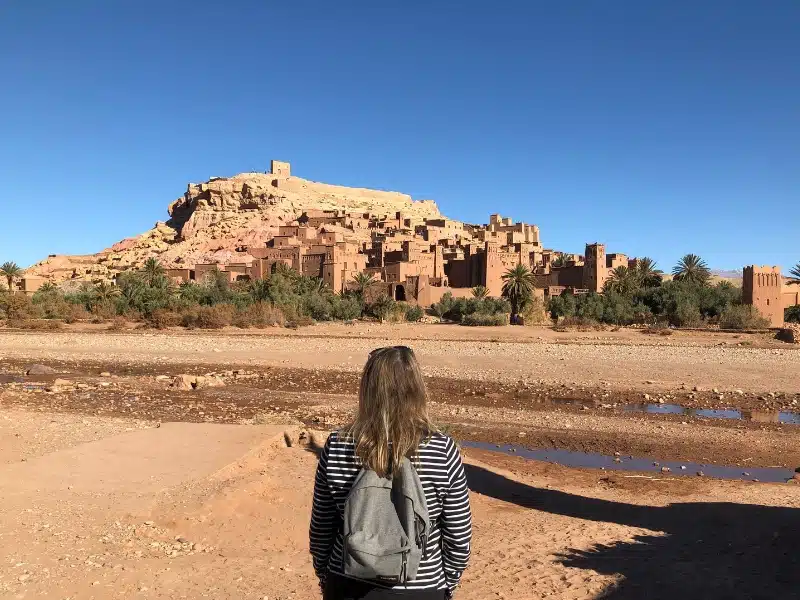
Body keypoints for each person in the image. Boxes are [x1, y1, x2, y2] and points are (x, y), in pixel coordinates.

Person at [310, 346, 472, 599]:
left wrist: (325, 575)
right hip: (422, 586)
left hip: (348, 582)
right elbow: (458, 535)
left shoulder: (338, 445)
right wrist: (447, 582)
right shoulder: (442, 449)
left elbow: (322, 527)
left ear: (368, 389)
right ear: (417, 389)